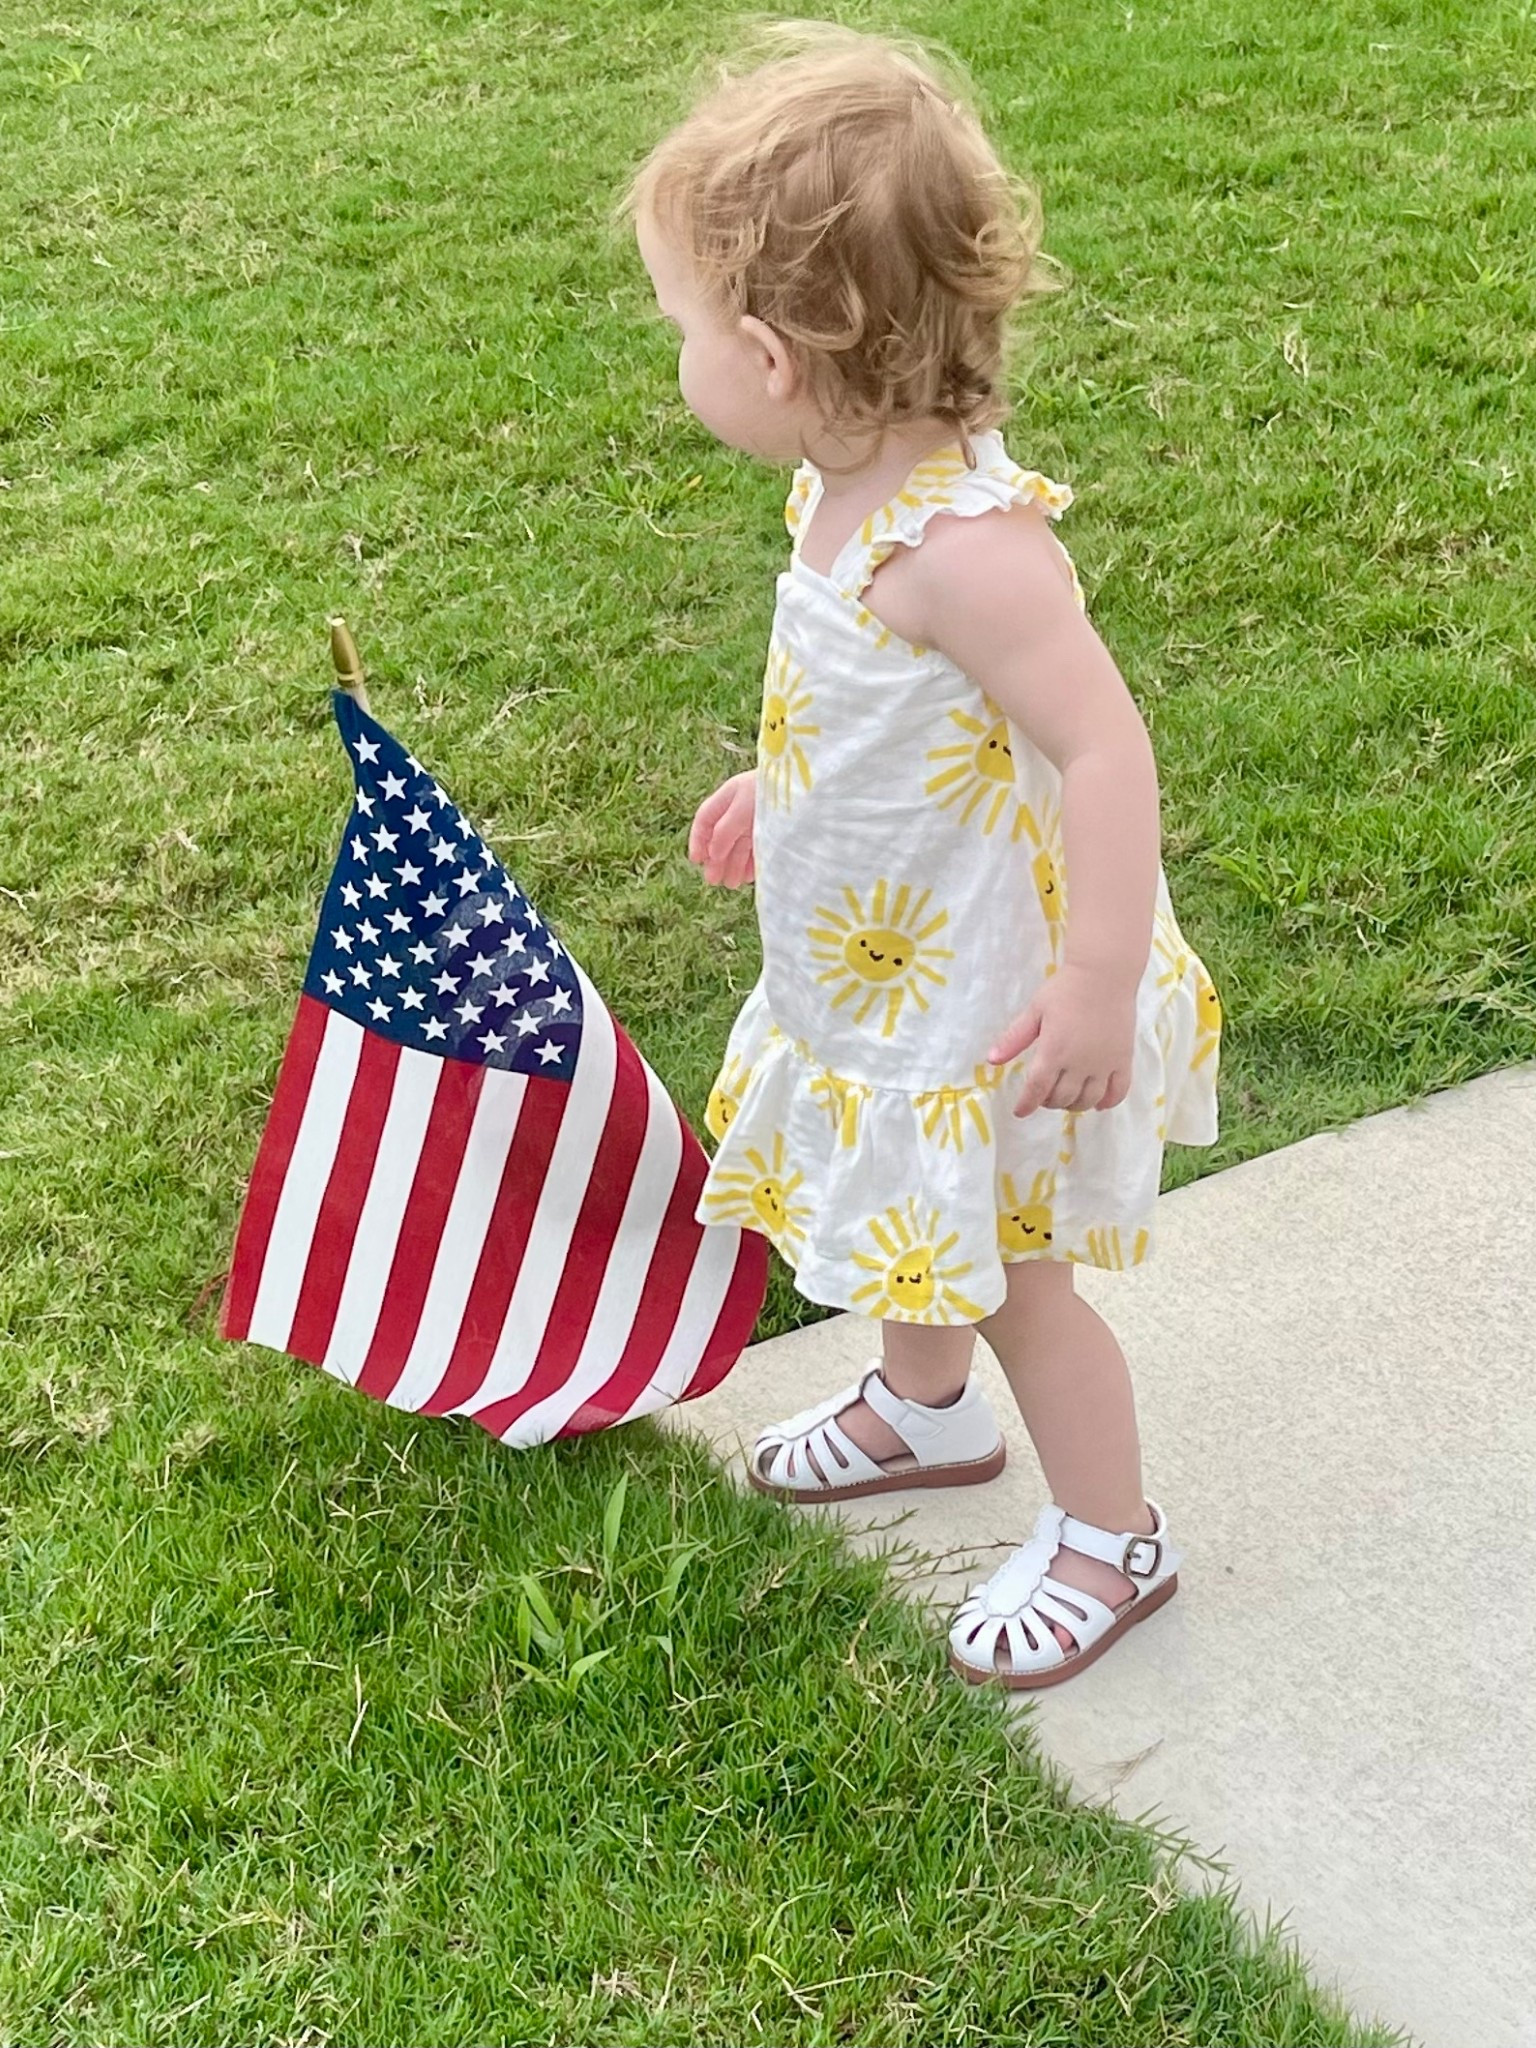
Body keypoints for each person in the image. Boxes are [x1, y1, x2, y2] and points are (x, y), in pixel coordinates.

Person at [621, 22, 1221, 1689]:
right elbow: (876, 709)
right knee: (907, 1203)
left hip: (999, 999)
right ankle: (925, 1408)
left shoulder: (970, 548)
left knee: (1015, 1266)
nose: (671, 356)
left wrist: (1097, 984)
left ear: (769, 355)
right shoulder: (839, 491)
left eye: (677, 327)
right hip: (887, 952)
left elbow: (1104, 747)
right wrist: (780, 789)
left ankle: (1116, 1537)